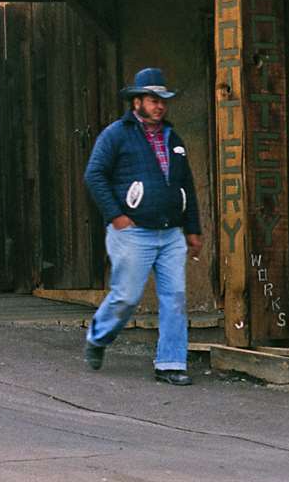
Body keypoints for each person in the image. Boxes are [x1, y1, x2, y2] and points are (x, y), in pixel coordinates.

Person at [81, 66, 203, 386]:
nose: (159, 105)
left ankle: (171, 363)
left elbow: (186, 185)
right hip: (133, 232)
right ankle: (98, 338)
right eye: (152, 99)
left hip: (171, 233)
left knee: (175, 296)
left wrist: (193, 229)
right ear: (136, 102)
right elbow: (94, 175)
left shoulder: (172, 136)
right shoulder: (116, 134)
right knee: (126, 296)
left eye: (163, 100)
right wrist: (116, 216)